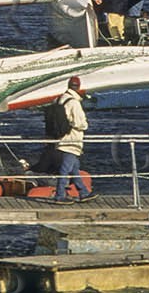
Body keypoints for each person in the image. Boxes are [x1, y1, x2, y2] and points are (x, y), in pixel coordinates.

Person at [51, 76, 93, 204]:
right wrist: (85, 125)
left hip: (61, 137)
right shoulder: (74, 102)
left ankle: (83, 192)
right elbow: (80, 123)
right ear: (78, 88)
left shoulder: (60, 99)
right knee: (66, 168)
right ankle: (59, 195)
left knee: (74, 168)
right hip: (72, 139)